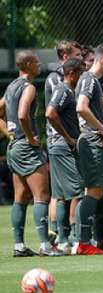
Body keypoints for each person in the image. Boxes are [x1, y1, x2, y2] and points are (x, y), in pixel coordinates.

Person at [1, 51, 61, 257]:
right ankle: (45, 245)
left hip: (14, 147)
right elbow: (22, 114)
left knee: (21, 196)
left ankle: (19, 245)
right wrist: (29, 137)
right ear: (27, 64)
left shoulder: (11, 87)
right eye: (35, 62)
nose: (39, 64)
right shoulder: (29, 87)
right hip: (27, 147)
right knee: (41, 196)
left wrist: (10, 133)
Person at [75, 44, 103, 255]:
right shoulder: (88, 80)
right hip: (91, 141)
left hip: (95, 142)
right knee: (92, 190)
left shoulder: (94, 82)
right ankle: (83, 243)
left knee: (96, 190)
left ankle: (87, 240)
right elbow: (81, 107)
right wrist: (100, 127)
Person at [46, 58, 85, 254]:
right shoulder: (63, 90)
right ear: (72, 73)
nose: (83, 76)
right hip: (63, 147)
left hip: (58, 147)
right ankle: (78, 239)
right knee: (78, 191)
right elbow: (50, 113)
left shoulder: (70, 91)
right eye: (81, 72)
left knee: (61, 195)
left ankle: (63, 240)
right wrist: (68, 138)